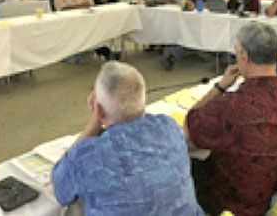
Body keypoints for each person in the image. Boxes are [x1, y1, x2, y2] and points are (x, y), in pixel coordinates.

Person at [185, 23, 277, 215]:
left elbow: (191, 126)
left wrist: (221, 86)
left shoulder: (228, 108)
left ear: (243, 55)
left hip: (231, 203)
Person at [51, 62, 203, 215]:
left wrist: (95, 121)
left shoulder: (86, 156)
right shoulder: (169, 126)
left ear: (99, 109)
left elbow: (60, 190)